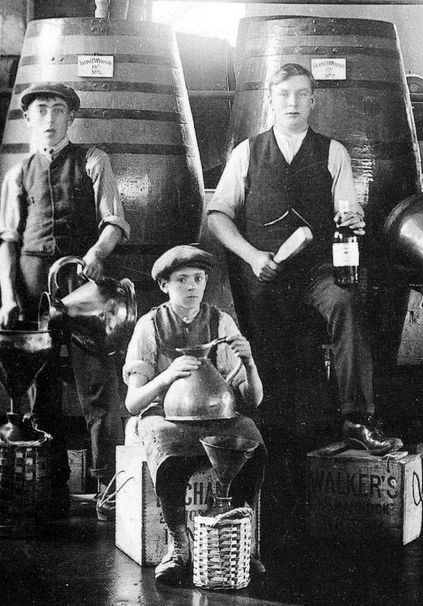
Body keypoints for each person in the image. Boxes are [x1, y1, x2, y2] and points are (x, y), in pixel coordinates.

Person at [207, 63, 402, 456]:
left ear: (313, 101)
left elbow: (348, 213)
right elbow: (217, 216)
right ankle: (262, 437)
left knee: (347, 303)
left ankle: (357, 420)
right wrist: (251, 255)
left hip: (318, 274)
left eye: (300, 94)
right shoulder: (247, 152)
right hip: (264, 274)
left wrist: (353, 219)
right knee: (270, 366)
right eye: (284, 94)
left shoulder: (334, 152)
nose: (292, 102)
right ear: (272, 101)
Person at [0, 82, 130, 520]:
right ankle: (49, 487)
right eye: (41, 112)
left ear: (71, 118)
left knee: (100, 389)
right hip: (33, 290)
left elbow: (114, 222)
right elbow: (8, 243)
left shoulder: (94, 160)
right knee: (40, 396)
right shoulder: (17, 173)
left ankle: (107, 488)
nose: (50, 119)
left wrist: (98, 253)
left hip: (82, 285)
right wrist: (7, 296)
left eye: (58, 110)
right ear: (29, 119)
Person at [122, 245, 265, 587]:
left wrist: (248, 362)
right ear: (164, 285)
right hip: (163, 417)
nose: (192, 286)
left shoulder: (220, 322)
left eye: (198, 278)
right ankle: (178, 543)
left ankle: (237, 536)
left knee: (252, 440)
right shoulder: (150, 325)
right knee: (167, 447)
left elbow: (252, 400)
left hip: (217, 417)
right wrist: (168, 375)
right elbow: (132, 403)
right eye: (182, 279)